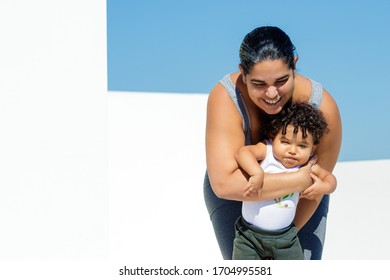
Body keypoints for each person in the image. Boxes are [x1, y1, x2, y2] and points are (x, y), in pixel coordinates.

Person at [204, 26, 342, 260]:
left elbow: (318, 184)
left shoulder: (323, 107)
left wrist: (280, 241)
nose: (271, 93)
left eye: (281, 80)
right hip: (236, 198)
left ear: (294, 64)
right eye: (258, 84)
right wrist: (297, 180)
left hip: (300, 203)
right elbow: (225, 184)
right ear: (243, 73)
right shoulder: (225, 97)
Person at [233, 102, 337, 260]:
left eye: (302, 146)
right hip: (248, 237)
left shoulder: (307, 166)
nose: (292, 151)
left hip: (286, 239)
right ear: (272, 137)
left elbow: (331, 179)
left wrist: (323, 187)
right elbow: (243, 152)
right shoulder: (267, 151)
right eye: (285, 142)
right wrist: (256, 172)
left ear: (313, 149)